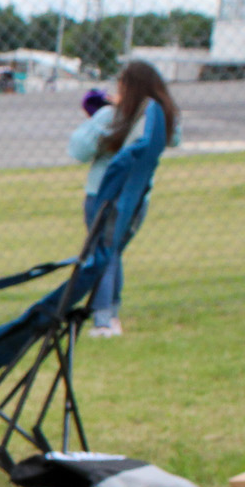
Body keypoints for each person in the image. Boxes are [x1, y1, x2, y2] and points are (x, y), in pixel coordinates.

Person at [67, 59, 180, 339]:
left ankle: (104, 321)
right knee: (113, 253)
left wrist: (102, 115)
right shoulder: (158, 118)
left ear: (126, 87)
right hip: (138, 199)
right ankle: (112, 313)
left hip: (104, 195)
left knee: (102, 254)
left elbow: (78, 149)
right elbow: (174, 138)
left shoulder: (113, 116)